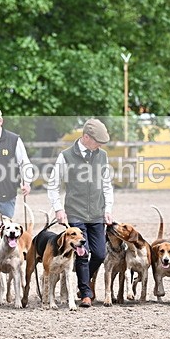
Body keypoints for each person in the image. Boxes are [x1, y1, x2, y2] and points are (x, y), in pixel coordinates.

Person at [46, 118, 113, 308]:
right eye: (98, 141)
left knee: (99, 253)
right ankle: (85, 293)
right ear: (86, 137)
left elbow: (107, 185)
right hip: (75, 212)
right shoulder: (66, 156)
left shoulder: (102, 156)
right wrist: (58, 208)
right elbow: (53, 185)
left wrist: (108, 209)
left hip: (97, 212)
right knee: (83, 253)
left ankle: (82, 278)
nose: (100, 145)